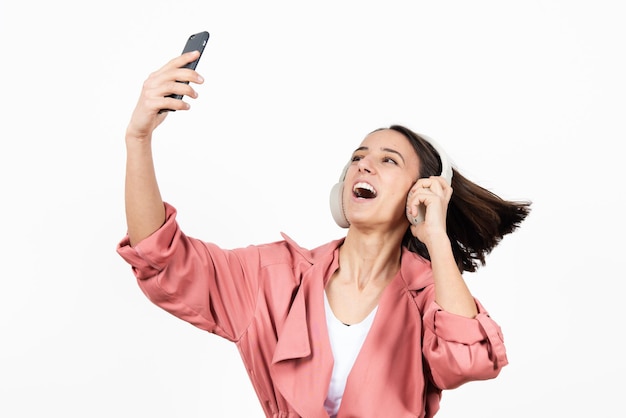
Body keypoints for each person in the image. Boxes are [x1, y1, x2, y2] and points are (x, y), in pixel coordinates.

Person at [117, 50, 531, 418]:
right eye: (357, 158)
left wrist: (436, 237)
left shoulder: (430, 296)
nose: (364, 167)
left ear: (421, 192)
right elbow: (162, 258)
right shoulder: (273, 278)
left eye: (389, 161)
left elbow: (468, 360)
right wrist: (138, 139)